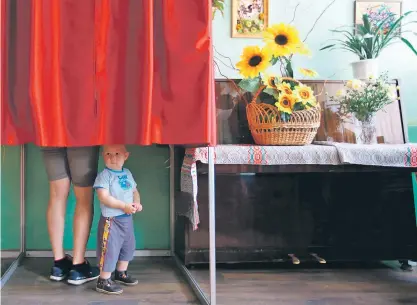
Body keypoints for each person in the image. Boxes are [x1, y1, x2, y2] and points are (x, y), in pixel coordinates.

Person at [42, 146, 100, 285]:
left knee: (56, 197)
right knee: (84, 199)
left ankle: (59, 264)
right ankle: (78, 266)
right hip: (81, 133)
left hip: (51, 129)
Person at [93, 144, 142, 295]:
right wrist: (123, 206)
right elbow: (104, 197)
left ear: (126, 156)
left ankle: (121, 272)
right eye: (108, 154)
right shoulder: (104, 175)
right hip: (112, 220)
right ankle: (103, 280)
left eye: (117, 154)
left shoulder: (127, 173)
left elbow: (134, 191)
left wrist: (137, 203)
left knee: (128, 246)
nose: (112, 157)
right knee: (109, 249)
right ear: (103, 156)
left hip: (127, 218)